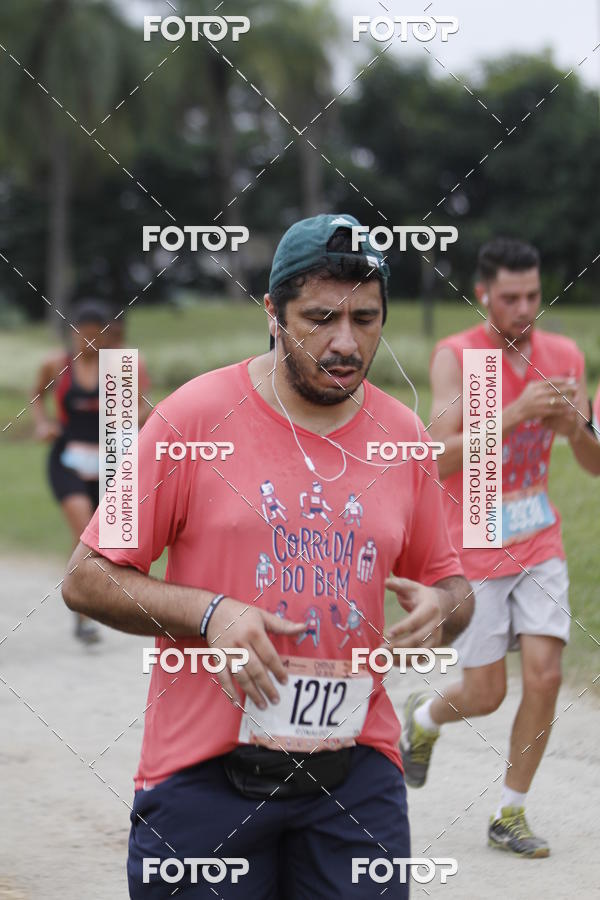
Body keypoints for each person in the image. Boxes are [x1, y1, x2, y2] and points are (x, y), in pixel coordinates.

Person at [62, 214, 473, 899]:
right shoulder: (192, 419)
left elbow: (453, 586)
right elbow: (86, 577)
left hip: (355, 777)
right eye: (319, 318)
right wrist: (211, 615)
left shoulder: (404, 437)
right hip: (204, 777)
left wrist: (444, 608)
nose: (346, 343)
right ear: (273, 314)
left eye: (367, 320)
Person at [401, 237, 600, 858]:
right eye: (509, 297)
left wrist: (574, 427)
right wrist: (513, 413)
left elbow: (594, 464)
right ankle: (425, 718)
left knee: (543, 676)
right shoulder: (457, 359)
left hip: (538, 539)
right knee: (486, 694)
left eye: (534, 296)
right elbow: (432, 460)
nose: (524, 309)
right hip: (474, 545)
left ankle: (509, 812)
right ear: (482, 294)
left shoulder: (564, 354)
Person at [33, 299, 150, 644]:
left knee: (97, 538)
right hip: (67, 458)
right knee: (84, 525)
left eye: (94, 337)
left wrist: (131, 417)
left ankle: (83, 600)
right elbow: (36, 397)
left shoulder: (123, 365)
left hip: (108, 460)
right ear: (71, 335)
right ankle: (84, 615)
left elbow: (141, 408)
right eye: (80, 337)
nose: (87, 344)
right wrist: (43, 425)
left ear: (107, 336)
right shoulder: (55, 364)